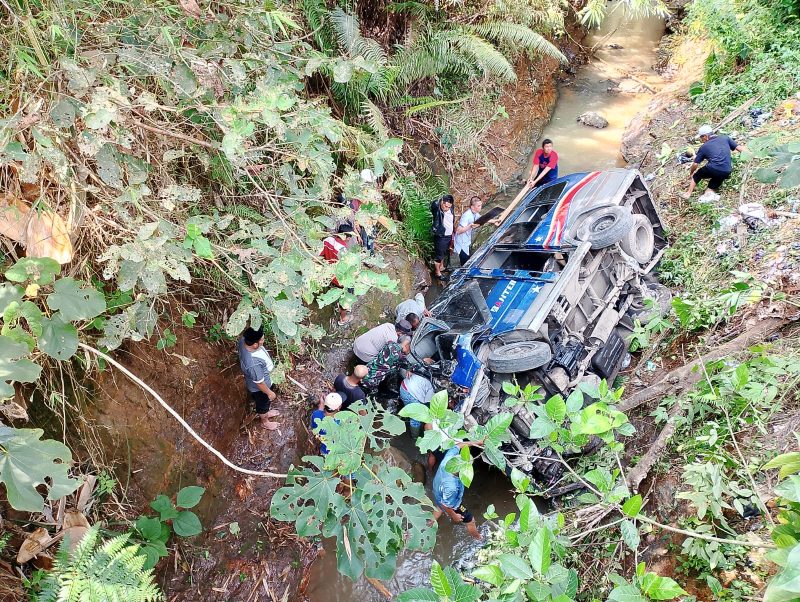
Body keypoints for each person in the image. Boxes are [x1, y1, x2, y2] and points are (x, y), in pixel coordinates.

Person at [680, 125, 746, 202]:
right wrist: (751, 154)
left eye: (701, 137)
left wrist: (691, 173)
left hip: (713, 168)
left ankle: (688, 193)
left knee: (698, 174)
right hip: (727, 171)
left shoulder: (704, 147)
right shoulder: (725, 138)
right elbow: (740, 148)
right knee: (714, 182)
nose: (701, 140)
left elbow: (695, 164)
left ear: (705, 136)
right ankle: (708, 194)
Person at [432, 444, 482, 540]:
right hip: (451, 502)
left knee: (438, 505)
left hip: (438, 491)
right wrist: (454, 515)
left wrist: (475, 442)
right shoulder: (452, 488)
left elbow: (457, 446)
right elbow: (446, 504)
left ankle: (429, 524)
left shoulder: (449, 460)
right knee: (470, 520)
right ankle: (478, 538)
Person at [237, 327, 280, 430]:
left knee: (264, 404)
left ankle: (266, 412)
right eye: (262, 339)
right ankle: (265, 421)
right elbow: (260, 383)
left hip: (259, 376)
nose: (263, 341)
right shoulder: (253, 364)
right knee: (263, 404)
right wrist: (270, 393)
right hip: (260, 390)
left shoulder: (244, 340)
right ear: (255, 344)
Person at [320, 223, 358, 326]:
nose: (349, 239)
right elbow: (347, 269)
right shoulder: (343, 251)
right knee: (348, 293)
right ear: (346, 237)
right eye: (349, 237)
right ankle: (343, 317)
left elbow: (319, 255)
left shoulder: (327, 240)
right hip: (340, 279)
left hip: (328, 273)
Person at [400, 370, 435, 437]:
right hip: (410, 393)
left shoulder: (431, 371)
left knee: (409, 410)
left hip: (404, 385)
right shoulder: (433, 390)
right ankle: (414, 437)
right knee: (415, 419)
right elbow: (426, 403)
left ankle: (405, 418)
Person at [430, 194, 455, 282]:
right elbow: (434, 204)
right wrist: (440, 200)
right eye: (445, 205)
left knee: (444, 252)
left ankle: (442, 267)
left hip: (449, 235)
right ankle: (437, 273)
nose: (446, 208)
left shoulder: (451, 208)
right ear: (441, 202)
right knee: (439, 255)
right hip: (441, 235)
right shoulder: (438, 209)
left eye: (449, 207)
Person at [453, 196, 483, 265]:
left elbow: (482, 219)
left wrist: (494, 221)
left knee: (467, 257)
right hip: (461, 242)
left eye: (481, 205)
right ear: (472, 207)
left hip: (467, 240)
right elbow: (458, 231)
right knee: (464, 261)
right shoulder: (467, 215)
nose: (480, 207)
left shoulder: (475, 213)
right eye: (478, 206)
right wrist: (470, 226)